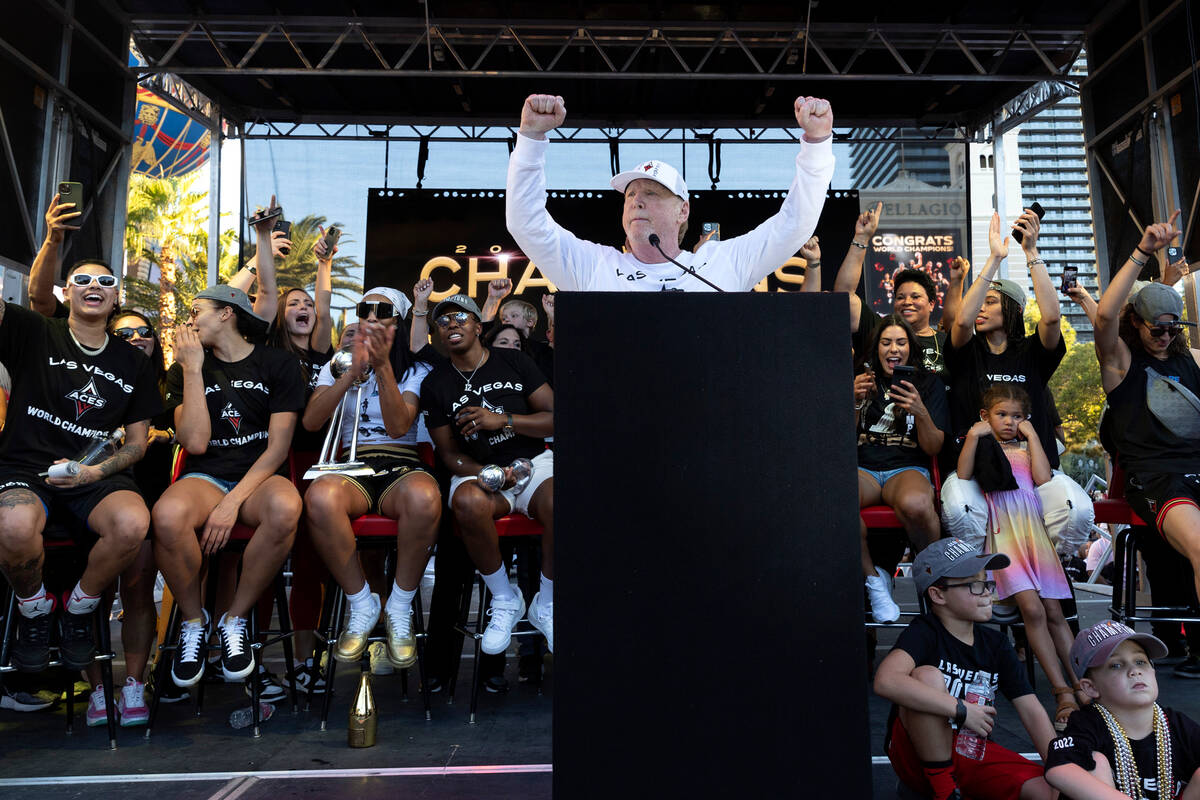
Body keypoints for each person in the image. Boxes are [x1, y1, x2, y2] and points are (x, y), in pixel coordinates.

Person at [0, 260, 161, 677]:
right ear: (66, 292)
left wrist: (94, 473)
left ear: (115, 297)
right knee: (13, 527)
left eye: (105, 281)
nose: (94, 286)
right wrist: (52, 238)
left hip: (93, 474)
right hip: (24, 467)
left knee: (132, 523)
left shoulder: (135, 363)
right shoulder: (37, 331)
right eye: (83, 280)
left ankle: (78, 609)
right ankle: (34, 611)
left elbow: (139, 443)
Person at [506, 93, 834, 292]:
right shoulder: (594, 266)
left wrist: (817, 145)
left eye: (652, 193)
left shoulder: (723, 264)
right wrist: (532, 138)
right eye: (630, 194)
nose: (636, 200)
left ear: (683, 211)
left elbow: (794, 225)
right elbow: (527, 224)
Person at [152, 286, 304, 687]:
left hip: (259, 477)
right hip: (206, 475)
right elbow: (197, 442)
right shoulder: (185, 366)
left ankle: (233, 618)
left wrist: (231, 503)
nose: (189, 320)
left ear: (226, 314)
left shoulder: (278, 363)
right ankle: (193, 621)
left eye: (196, 310)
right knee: (166, 516)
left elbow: (278, 448)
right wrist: (191, 369)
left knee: (286, 508)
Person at [301, 288, 440, 669]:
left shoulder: (416, 368)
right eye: (366, 309)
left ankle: (399, 606)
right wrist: (348, 375)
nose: (373, 316)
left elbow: (398, 426)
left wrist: (383, 368)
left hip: (399, 461)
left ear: (397, 321)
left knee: (425, 497)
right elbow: (312, 421)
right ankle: (361, 603)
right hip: (352, 464)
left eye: (384, 311)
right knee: (319, 498)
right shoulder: (334, 363)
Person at [940, 210, 1093, 552]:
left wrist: (1031, 253)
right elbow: (961, 323)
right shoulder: (968, 351)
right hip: (975, 473)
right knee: (961, 511)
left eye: (990, 302)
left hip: (1033, 472)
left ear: (1012, 310)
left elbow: (1052, 317)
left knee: (1077, 510)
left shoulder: (1031, 352)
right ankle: (984, 583)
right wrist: (995, 258)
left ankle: (1049, 570)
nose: (980, 308)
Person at [419, 294, 555, 654]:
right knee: (465, 502)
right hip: (480, 471)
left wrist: (504, 420)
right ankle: (505, 599)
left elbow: (555, 418)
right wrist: (489, 472)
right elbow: (447, 453)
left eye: (461, 318)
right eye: (443, 321)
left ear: (479, 327)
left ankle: (547, 603)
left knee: (562, 500)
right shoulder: (435, 384)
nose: (452, 324)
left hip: (532, 463)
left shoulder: (514, 361)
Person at [874, 538, 1057, 800]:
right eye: (974, 584)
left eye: (987, 582)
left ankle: (954, 788)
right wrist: (960, 709)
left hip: (970, 750)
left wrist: (1058, 766)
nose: (987, 592)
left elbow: (1031, 709)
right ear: (938, 594)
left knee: (1051, 789)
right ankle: (943, 789)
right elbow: (886, 680)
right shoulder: (925, 633)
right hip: (916, 755)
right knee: (926, 676)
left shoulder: (995, 643)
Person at [1094, 210, 1200, 621]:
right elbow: (1104, 317)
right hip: (1157, 478)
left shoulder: (1189, 359)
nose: (1166, 337)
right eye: (1157, 329)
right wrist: (1142, 250)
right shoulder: (1121, 363)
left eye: (1173, 329)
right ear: (1136, 323)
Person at [957, 384, 1082, 730]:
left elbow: (1042, 478)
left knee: (1056, 611)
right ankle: (1062, 693)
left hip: (1034, 536)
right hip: (1004, 537)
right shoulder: (982, 446)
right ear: (985, 416)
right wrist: (973, 434)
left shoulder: (1026, 448)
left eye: (1017, 416)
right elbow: (964, 475)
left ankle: (1080, 682)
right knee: (1032, 608)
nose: (1010, 422)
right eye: (1002, 415)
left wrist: (1034, 435)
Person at [854, 315, 947, 622]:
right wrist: (852, 402)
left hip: (905, 468)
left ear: (911, 347)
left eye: (901, 342)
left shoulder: (929, 382)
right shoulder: (859, 379)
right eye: (886, 342)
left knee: (917, 504)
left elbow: (933, 447)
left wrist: (920, 410)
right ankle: (875, 582)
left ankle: (936, 586)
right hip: (863, 468)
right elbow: (837, 442)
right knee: (833, 504)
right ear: (875, 348)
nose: (893, 349)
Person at [1045, 621, 1200, 798]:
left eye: (1141, 662)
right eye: (1116, 665)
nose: (1134, 671)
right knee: (1094, 762)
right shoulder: (1087, 723)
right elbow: (1059, 769)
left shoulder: (1176, 724)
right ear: (1091, 687)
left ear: (1153, 672)